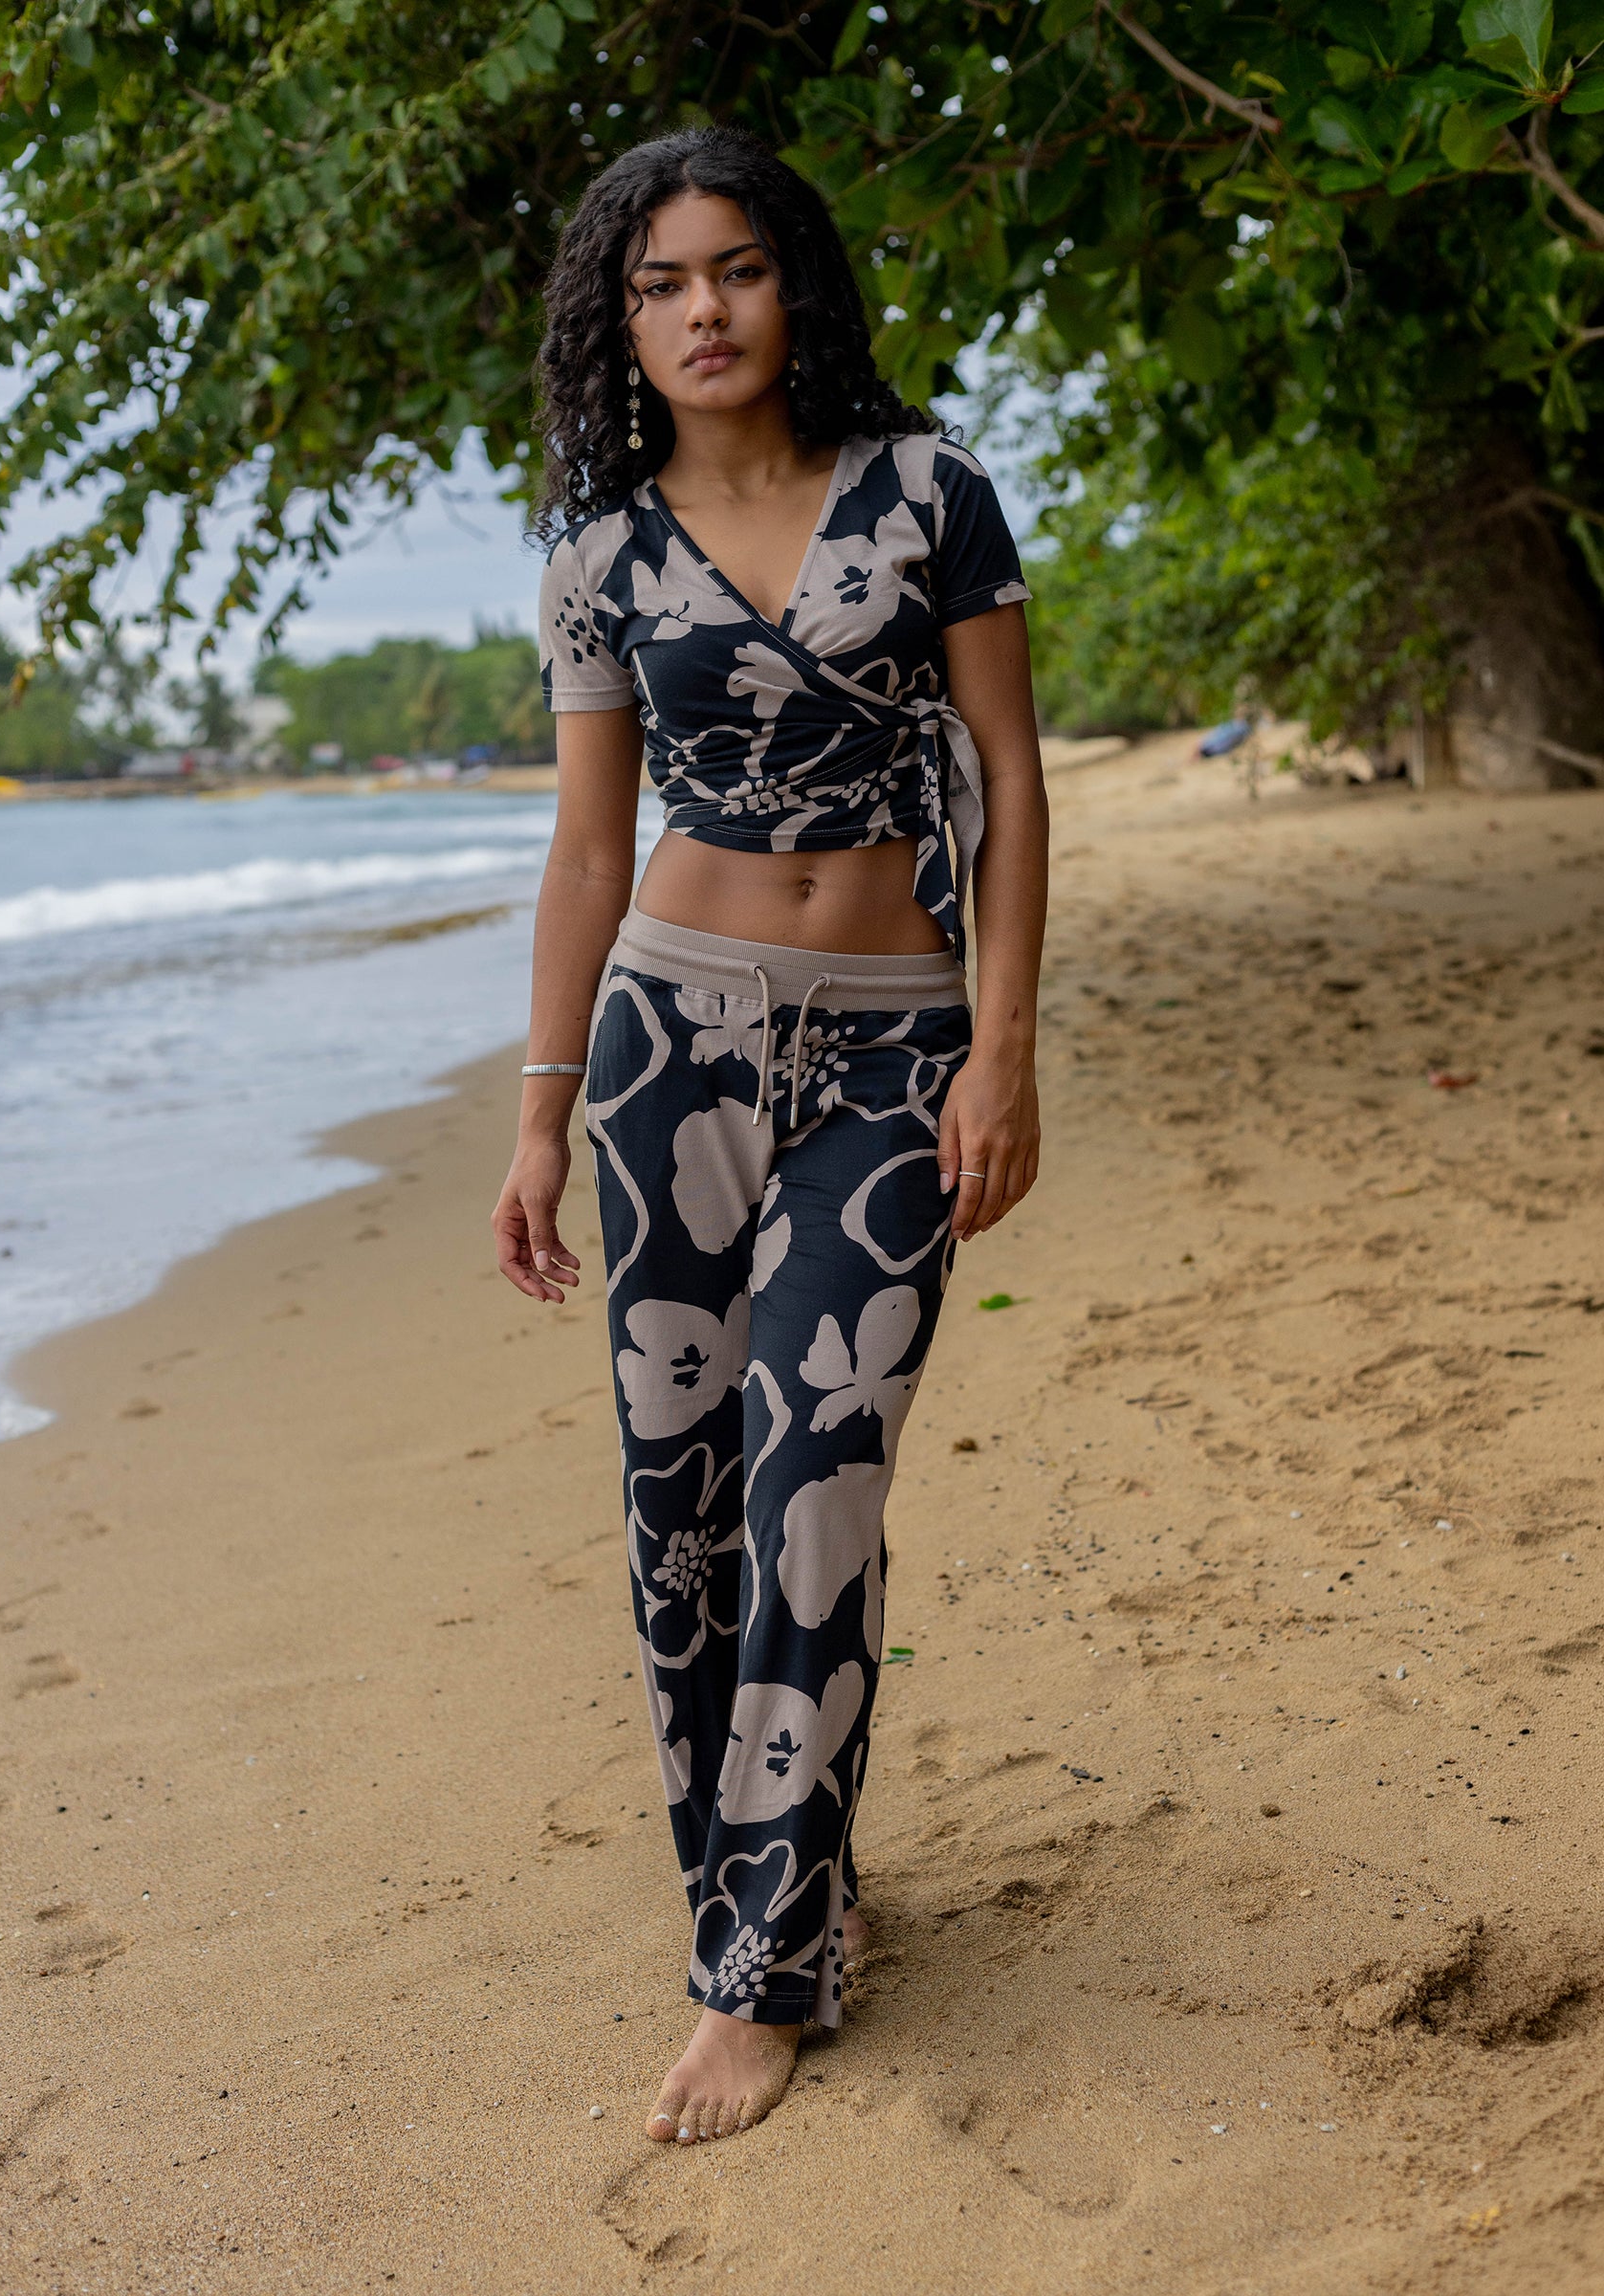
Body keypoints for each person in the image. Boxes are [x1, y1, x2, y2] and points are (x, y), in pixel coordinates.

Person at [492, 126, 1048, 2147]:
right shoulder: (600, 562)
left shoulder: (931, 497)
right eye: (659, 286)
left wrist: (1006, 1048)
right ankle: (778, 1897)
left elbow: (1008, 769)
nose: (702, 311)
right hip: (667, 1050)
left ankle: (756, 1981)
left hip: (899, 1051)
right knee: (684, 1508)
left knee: (820, 1476)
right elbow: (580, 849)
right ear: (618, 327)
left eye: (733, 269)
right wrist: (541, 1115)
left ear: (790, 283)